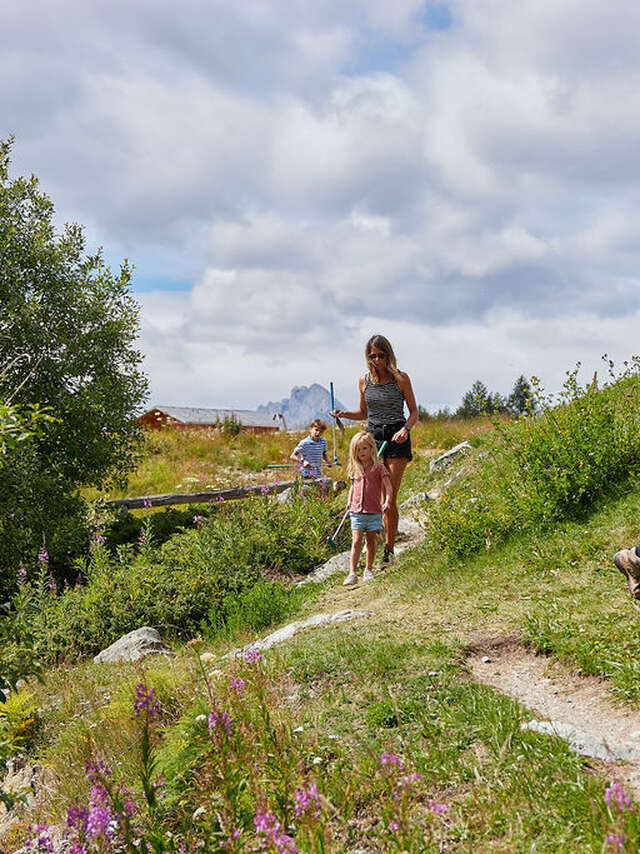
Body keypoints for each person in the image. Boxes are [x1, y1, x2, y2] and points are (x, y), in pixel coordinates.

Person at [333, 334, 418, 565]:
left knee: (388, 494)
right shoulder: (364, 381)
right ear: (367, 357)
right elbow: (363, 413)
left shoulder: (400, 379)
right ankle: (374, 547)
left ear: (388, 355)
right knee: (373, 495)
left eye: (381, 355)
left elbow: (413, 412)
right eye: (373, 356)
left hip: (397, 437)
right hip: (373, 438)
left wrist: (406, 429)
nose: (377, 360)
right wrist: (344, 414)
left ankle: (389, 550)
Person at [343, 431, 392, 586]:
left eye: (364, 448)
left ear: (371, 448)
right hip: (357, 511)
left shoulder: (379, 467)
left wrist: (388, 501)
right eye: (358, 449)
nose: (361, 452)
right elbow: (352, 487)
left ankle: (368, 570)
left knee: (370, 541)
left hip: (374, 512)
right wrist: (349, 500)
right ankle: (352, 573)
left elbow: (388, 487)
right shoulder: (355, 468)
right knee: (356, 541)